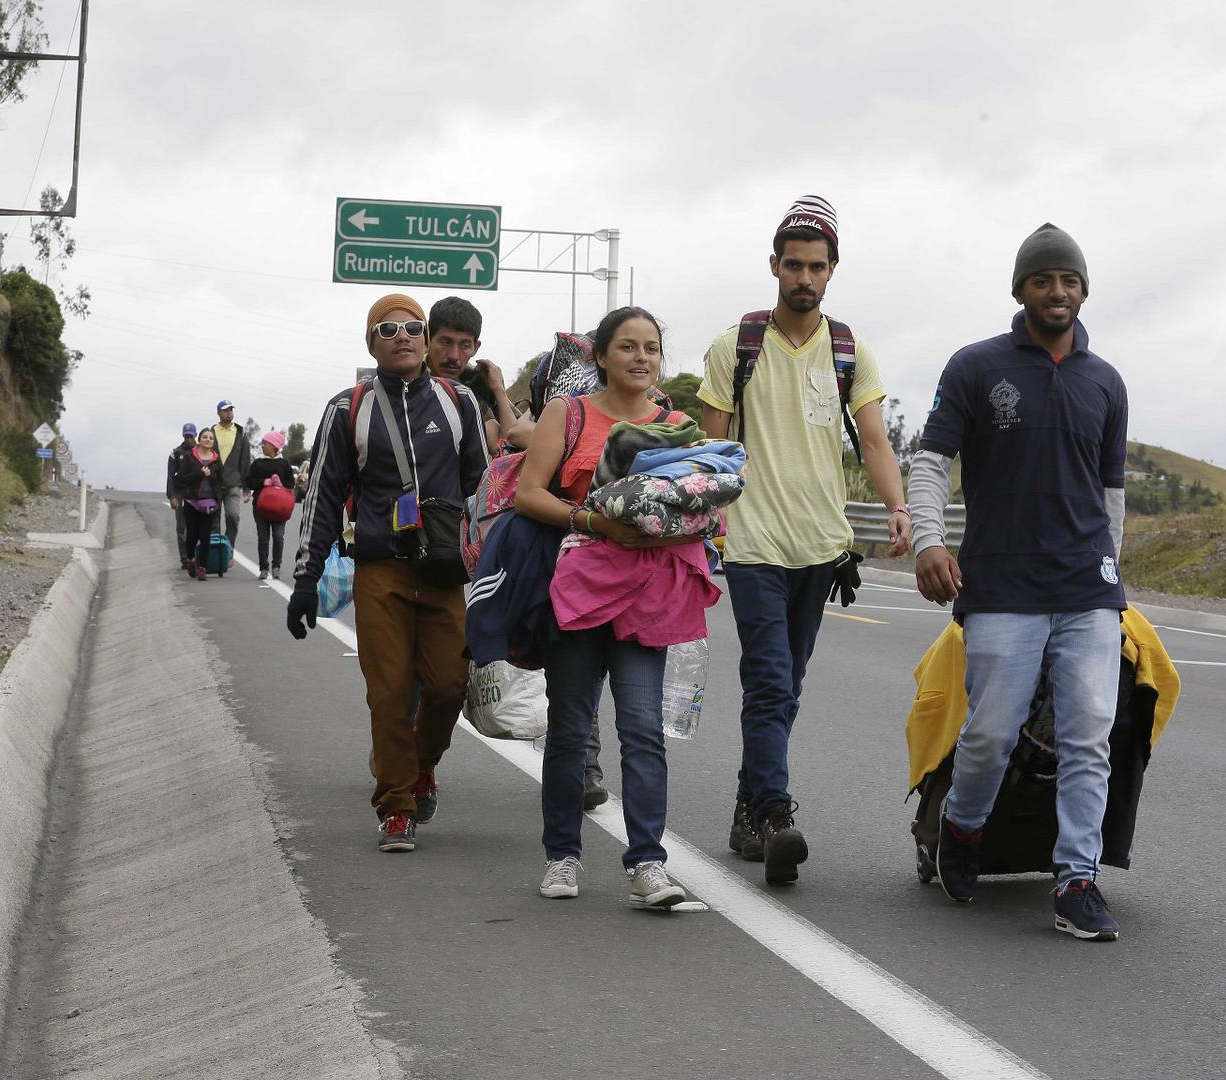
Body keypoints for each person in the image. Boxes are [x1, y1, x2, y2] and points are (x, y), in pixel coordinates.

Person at [911, 222, 1129, 942]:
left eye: (1069, 280)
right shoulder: (976, 367)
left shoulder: (1106, 381)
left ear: (1084, 290)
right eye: (1044, 280)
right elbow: (931, 462)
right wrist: (929, 541)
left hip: (1086, 588)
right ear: (1021, 290)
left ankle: (1076, 881)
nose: (1057, 291)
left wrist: (1111, 568)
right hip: (1002, 585)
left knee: (1089, 734)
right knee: (991, 734)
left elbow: (1111, 492)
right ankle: (964, 828)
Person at [699, 195, 911, 885]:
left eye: (817, 267)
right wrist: (703, 524)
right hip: (753, 539)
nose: (805, 278)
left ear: (833, 269)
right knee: (767, 679)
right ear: (773, 265)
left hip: (821, 544)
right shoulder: (737, 346)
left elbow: (874, 439)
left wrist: (899, 507)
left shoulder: (850, 351)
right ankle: (776, 816)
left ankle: (745, 809)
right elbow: (711, 446)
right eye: (793, 265)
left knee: (786, 686)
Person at [514, 306, 704, 907]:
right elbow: (528, 495)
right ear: (600, 355)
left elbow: (697, 501)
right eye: (627, 346)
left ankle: (647, 863)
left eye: (651, 347)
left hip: (650, 595)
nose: (641, 357)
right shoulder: (566, 414)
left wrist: (669, 525)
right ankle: (562, 857)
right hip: (581, 591)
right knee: (571, 731)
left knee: (644, 729)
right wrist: (594, 520)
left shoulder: (677, 423)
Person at [287, 293, 488, 853]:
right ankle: (397, 806)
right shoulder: (346, 408)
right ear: (371, 343)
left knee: (449, 685)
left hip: (445, 571)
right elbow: (324, 496)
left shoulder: (459, 402)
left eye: (413, 328)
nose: (402, 336)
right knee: (390, 692)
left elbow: (484, 490)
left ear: (425, 339)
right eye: (388, 329)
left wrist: (500, 572)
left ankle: (421, 769)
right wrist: (305, 582)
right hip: (380, 571)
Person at [425, 295, 525, 452]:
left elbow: (506, 448)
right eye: (446, 342)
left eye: (465, 345)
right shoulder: (408, 379)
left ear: (475, 348)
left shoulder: (472, 388)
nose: (454, 356)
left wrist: (498, 391)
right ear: (427, 339)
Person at [245, 429, 296, 580]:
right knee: (263, 537)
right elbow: (249, 481)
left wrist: (281, 485)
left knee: (279, 536)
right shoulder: (258, 463)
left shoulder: (284, 464)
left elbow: (290, 483)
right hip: (261, 507)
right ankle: (263, 568)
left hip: (280, 508)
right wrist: (263, 482)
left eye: (265, 443)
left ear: (274, 445)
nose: (262, 446)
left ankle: (276, 566)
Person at [174, 427, 223, 581]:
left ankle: (202, 568)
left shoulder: (216, 459)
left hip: (210, 502)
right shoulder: (189, 457)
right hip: (192, 502)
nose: (208, 440)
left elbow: (220, 480)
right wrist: (200, 474)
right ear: (199, 440)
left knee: (205, 535)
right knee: (192, 535)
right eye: (205, 437)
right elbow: (181, 478)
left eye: (211, 438)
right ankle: (190, 560)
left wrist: (212, 475)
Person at [210, 399, 252, 548]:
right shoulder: (211, 432)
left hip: (233, 483)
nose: (229, 413)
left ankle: (228, 549)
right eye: (225, 410)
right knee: (213, 521)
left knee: (233, 516)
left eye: (231, 410)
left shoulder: (241, 432)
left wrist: (247, 488)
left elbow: (245, 461)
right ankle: (214, 554)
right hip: (213, 484)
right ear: (218, 413)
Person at [168, 423, 198, 568]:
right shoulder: (176, 453)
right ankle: (185, 558)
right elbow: (170, 476)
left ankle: (196, 555)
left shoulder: (201, 451)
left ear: (195, 436)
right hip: (180, 493)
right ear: (183, 436)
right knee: (181, 526)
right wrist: (172, 496)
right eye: (186, 436)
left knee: (196, 525)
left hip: (196, 492)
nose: (189, 439)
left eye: (191, 436)